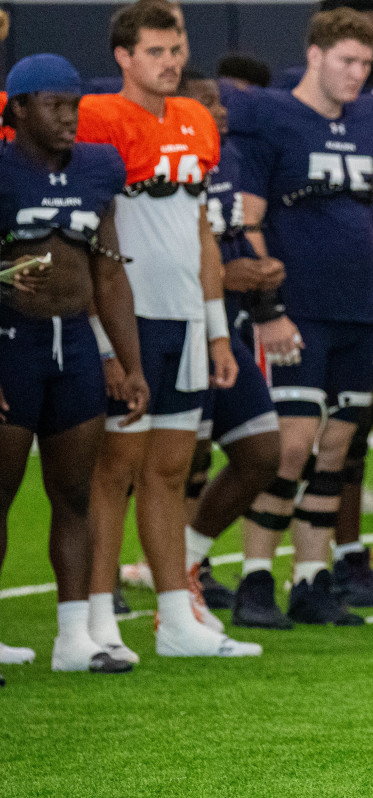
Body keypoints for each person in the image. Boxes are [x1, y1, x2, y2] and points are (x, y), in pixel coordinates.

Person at [78, 0, 260, 660]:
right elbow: (90, 229)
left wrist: (216, 330)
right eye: (155, 51)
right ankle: (94, 620)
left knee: (170, 469)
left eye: (175, 49)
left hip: (185, 315)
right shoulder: (97, 119)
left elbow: (201, 232)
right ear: (123, 57)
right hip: (127, 317)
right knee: (114, 468)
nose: (170, 62)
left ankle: (175, 615)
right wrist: (101, 334)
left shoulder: (195, 119)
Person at [229, 8, 373, 625]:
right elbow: (247, 218)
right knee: (292, 446)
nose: (358, 74)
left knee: (338, 446)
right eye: (347, 61)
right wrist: (268, 309)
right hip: (298, 309)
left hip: (358, 309)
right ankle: (255, 576)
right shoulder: (272, 118)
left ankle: (311, 577)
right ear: (314, 55)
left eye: (366, 64)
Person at [0, 54, 150, 673]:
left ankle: (73, 637)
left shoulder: (96, 168)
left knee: (75, 496)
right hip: (11, 342)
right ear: (17, 110)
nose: (68, 117)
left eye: (74, 104)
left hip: (75, 345)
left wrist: (130, 360)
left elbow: (108, 271)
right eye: (54, 105)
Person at [171, 71, 285, 620]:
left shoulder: (228, 159)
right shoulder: (158, 162)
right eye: (203, 102)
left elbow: (230, 239)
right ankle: (124, 591)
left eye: (219, 100)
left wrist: (258, 279)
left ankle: (185, 565)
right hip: (172, 326)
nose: (218, 110)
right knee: (157, 466)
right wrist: (225, 273)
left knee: (264, 450)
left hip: (224, 329)